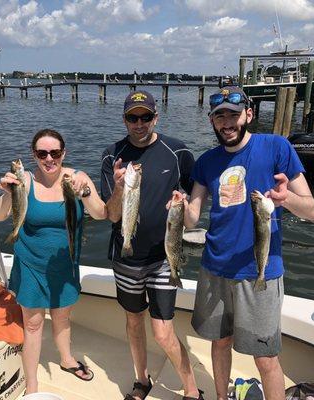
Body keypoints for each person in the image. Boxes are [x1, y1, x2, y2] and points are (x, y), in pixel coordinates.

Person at [175, 86, 314, 400]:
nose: (227, 122)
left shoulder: (276, 147)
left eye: (233, 114)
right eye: (219, 116)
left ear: (249, 115)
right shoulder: (207, 162)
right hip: (214, 269)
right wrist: (181, 208)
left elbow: (312, 211)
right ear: (212, 121)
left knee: (266, 357)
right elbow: (192, 219)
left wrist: (287, 199)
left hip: (260, 272)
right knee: (220, 342)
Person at [101, 91, 204, 400]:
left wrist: (183, 204)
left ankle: (192, 390)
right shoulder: (113, 156)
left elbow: (195, 196)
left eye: (146, 117)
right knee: (134, 322)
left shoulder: (178, 151)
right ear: (124, 120)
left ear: (156, 118)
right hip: (126, 257)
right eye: (133, 117)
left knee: (162, 331)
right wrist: (119, 186)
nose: (139, 123)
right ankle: (141, 380)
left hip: (163, 257)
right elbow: (111, 215)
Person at [0, 128, 107, 394]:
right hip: (30, 263)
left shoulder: (77, 178)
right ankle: (32, 382)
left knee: (63, 317)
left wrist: (86, 192)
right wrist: (8, 194)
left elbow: (100, 214)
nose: (49, 158)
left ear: (63, 153)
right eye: (42, 153)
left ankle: (66, 360)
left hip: (65, 265)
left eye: (55, 152)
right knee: (33, 323)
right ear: (35, 155)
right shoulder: (25, 181)